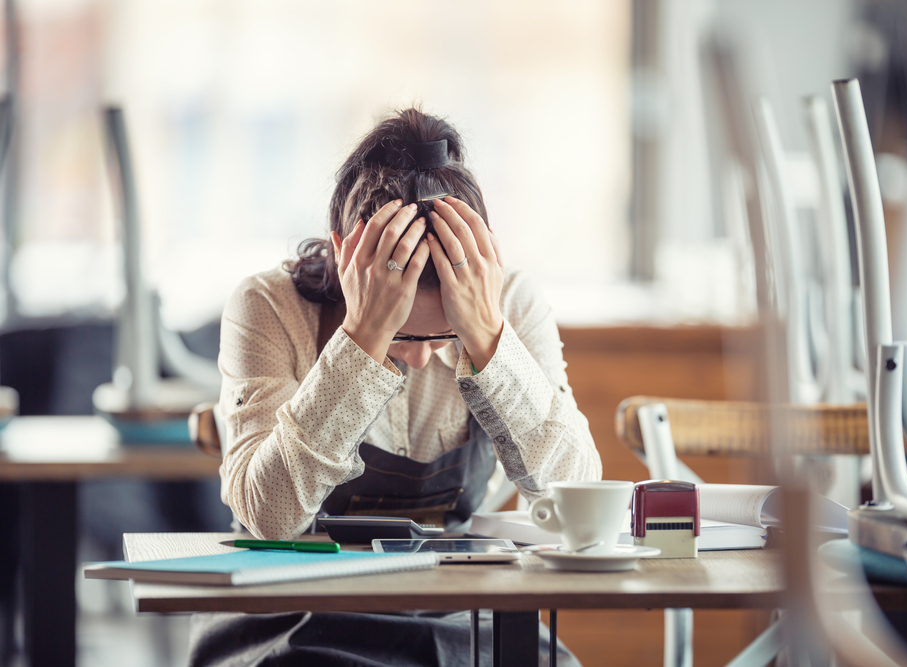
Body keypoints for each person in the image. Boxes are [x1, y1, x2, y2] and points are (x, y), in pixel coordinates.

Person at [189, 108, 602, 666]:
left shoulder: (509, 305)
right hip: (295, 610)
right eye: (400, 334)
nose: (420, 356)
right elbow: (271, 515)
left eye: (443, 333)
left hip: (456, 606)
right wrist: (362, 340)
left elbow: (576, 492)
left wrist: (486, 338)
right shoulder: (266, 306)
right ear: (345, 256)